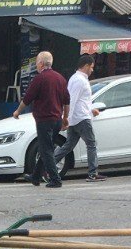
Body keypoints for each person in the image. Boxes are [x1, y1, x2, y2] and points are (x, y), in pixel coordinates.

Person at [13, 51, 68, 188]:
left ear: (42, 63)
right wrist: (65, 118)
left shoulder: (39, 79)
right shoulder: (60, 78)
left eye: (37, 63)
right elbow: (67, 101)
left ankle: (55, 179)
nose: (37, 66)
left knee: (46, 150)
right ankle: (36, 176)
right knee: (47, 147)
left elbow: (27, 98)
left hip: (44, 120)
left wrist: (17, 111)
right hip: (56, 119)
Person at [56, 53, 99, 182]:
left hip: (77, 117)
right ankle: (92, 173)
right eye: (91, 67)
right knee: (91, 144)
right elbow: (72, 101)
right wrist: (66, 118)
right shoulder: (79, 80)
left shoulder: (77, 78)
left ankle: (47, 164)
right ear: (86, 66)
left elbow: (80, 101)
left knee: (68, 146)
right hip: (81, 118)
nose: (92, 70)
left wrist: (91, 110)